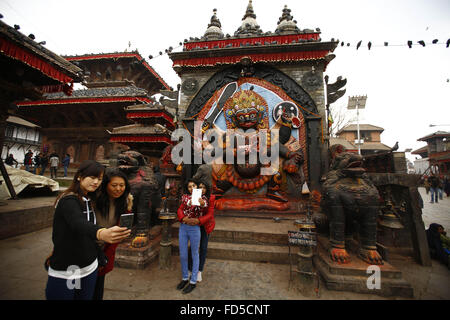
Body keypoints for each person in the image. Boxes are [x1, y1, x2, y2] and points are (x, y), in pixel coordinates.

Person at [45, 160, 131, 300]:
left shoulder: (89, 199)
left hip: (90, 266)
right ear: (79, 176)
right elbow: (78, 222)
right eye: (92, 177)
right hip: (70, 269)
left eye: (100, 179)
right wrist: (101, 233)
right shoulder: (69, 200)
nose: (96, 182)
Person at [92, 168, 133, 300]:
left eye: (122, 185)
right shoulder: (94, 201)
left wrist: (129, 207)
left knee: (98, 290)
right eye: (114, 185)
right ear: (105, 185)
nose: (118, 189)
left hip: (105, 250)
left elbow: (121, 227)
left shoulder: (122, 202)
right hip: (88, 250)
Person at [176, 179, 208, 294]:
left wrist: (202, 203)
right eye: (189, 186)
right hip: (184, 227)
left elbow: (204, 206)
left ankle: (193, 281)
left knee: (195, 254)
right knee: (183, 254)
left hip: (195, 228)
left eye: (194, 185)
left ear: (197, 186)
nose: (192, 188)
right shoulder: (185, 197)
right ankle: (185, 278)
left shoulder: (203, 198)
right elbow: (184, 205)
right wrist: (183, 218)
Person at [187, 180, 215, 283]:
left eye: (204, 187)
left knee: (203, 247)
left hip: (205, 225)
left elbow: (210, 214)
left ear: (207, 189)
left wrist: (199, 219)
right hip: (195, 225)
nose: (202, 190)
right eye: (200, 187)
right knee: (192, 247)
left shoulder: (211, 198)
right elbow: (189, 208)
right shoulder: (194, 196)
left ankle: (199, 271)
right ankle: (190, 269)